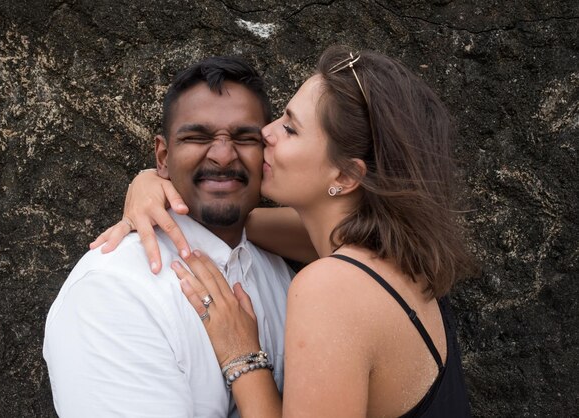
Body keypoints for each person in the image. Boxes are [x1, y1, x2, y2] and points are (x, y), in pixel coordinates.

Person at [95, 46, 475, 417]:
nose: (266, 133)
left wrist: (241, 356)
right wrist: (154, 182)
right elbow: (240, 224)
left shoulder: (331, 288)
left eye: (290, 128)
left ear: (345, 175)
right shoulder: (394, 251)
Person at [43, 56, 294, 417]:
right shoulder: (112, 290)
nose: (223, 155)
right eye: (197, 136)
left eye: (244, 138)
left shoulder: (281, 275)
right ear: (162, 157)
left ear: (266, 155)